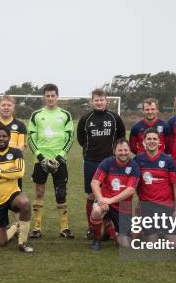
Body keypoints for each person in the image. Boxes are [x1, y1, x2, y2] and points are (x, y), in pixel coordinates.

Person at [27, 83, 75, 239]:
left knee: (61, 193)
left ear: (57, 96)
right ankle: (36, 228)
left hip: (59, 161)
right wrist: (41, 157)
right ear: (43, 97)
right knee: (39, 192)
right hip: (40, 160)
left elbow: (70, 138)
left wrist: (60, 157)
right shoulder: (36, 115)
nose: (50, 98)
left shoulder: (65, 114)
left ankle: (64, 227)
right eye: (47, 96)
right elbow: (31, 139)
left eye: (53, 95)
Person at [77, 88, 126, 239]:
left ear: (106, 101)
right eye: (96, 100)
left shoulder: (114, 117)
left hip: (110, 163)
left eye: (101, 99)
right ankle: (92, 228)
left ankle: (110, 226)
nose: (99, 102)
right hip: (91, 161)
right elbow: (80, 139)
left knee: (110, 194)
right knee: (92, 195)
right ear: (92, 101)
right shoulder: (86, 118)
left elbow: (121, 137)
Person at [0, 127, 33, 252]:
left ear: (9, 138)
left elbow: (19, 172)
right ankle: (15, 227)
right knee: (0, 243)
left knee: (24, 203)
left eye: (4, 136)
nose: (1, 139)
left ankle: (22, 242)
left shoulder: (16, 152)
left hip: (12, 194)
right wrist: (9, 176)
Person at [0, 95, 27, 238]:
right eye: (3, 105)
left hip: (12, 164)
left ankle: (18, 226)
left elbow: (21, 147)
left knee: (16, 197)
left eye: (9, 105)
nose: (6, 107)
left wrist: (4, 167)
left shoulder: (19, 125)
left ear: (13, 107)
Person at [89, 138, 141, 250]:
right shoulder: (107, 163)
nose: (123, 153)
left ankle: (109, 226)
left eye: (126, 150)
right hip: (104, 202)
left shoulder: (134, 166)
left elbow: (130, 190)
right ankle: (96, 240)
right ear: (114, 151)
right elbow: (94, 183)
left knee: (125, 245)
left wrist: (110, 200)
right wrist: (101, 199)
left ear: (129, 150)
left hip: (122, 207)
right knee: (97, 210)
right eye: (120, 150)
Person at [133, 128, 176, 242]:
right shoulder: (138, 160)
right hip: (147, 207)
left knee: (174, 244)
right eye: (149, 139)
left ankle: (163, 232)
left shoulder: (168, 160)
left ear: (159, 141)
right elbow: (132, 185)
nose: (152, 141)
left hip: (167, 207)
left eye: (155, 139)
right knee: (152, 243)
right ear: (144, 141)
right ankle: (149, 231)